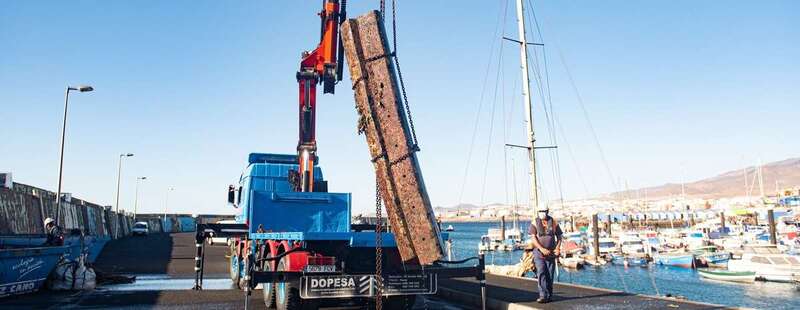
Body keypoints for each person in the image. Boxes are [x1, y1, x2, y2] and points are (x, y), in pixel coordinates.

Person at [528, 207, 562, 303]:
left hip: (551, 253)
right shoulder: (534, 223)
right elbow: (533, 238)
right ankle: (543, 295)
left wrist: (558, 248)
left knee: (549, 274)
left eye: (543, 211)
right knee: (541, 271)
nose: (541, 213)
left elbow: (559, 236)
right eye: (540, 211)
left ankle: (549, 295)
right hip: (539, 253)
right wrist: (541, 249)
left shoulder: (553, 222)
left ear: (547, 211)